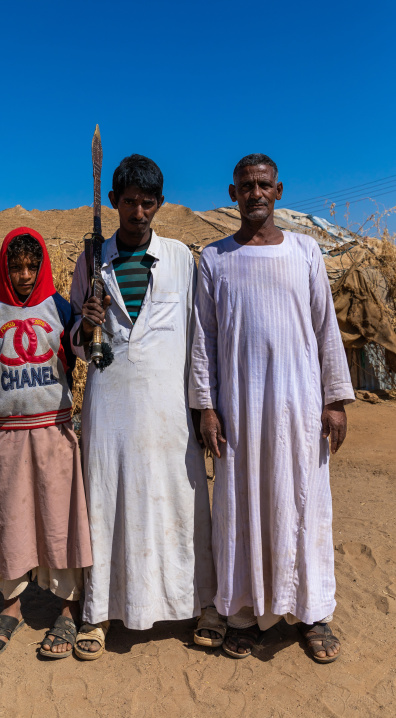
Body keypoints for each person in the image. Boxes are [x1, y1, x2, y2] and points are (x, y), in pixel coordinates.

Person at [189, 154, 355, 663]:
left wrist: (335, 399)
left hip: (298, 411)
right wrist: (207, 409)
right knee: (239, 508)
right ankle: (243, 614)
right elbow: (203, 341)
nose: (256, 193)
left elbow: (327, 329)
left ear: (278, 190)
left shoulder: (306, 252)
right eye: (247, 186)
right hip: (238, 413)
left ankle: (312, 614)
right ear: (233, 193)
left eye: (264, 184)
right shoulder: (214, 260)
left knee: (303, 505)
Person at [69, 155, 219, 660]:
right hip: (109, 409)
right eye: (129, 201)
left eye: (147, 202)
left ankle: (203, 604)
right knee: (107, 505)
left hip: (169, 411)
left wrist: (203, 406)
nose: (138, 211)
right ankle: (100, 612)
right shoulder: (90, 260)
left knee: (181, 502)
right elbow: (75, 343)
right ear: (112, 202)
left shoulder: (180, 258)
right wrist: (85, 323)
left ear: (159, 203)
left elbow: (200, 340)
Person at [0, 227, 92, 659]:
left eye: (31, 266)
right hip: (7, 434)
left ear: (41, 267)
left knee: (60, 519)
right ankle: (12, 605)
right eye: (16, 267)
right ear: (5, 267)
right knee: (10, 517)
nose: (24, 275)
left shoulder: (60, 309)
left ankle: (66, 607)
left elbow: (74, 360)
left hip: (53, 429)